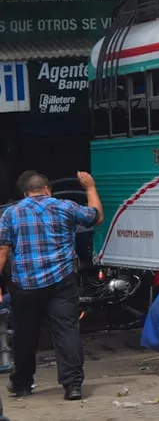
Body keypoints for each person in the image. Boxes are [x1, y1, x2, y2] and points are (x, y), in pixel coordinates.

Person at [0, 170, 102, 402]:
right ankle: (72, 386)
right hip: (61, 282)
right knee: (66, 331)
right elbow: (95, 216)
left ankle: (22, 384)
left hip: (25, 285)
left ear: (25, 193)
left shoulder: (11, 214)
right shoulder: (65, 207)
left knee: (25, 335)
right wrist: (90, 188)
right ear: (47, 188)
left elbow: (2, 251)